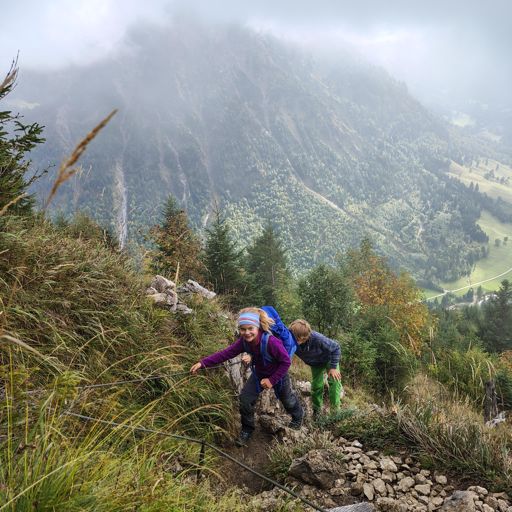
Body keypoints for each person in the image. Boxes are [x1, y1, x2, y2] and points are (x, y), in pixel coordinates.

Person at [190, 308, 304, 447]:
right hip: (259, 374)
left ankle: (298, 416)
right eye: (243, 329)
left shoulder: (271, 342)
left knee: (288, 400)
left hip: (278, 375)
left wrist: (271, 380)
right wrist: (203, 363)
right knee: (245, 399)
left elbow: (286, 362)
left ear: (258, 327)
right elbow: (225, 354)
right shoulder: (243, 342)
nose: (247, 332)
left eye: (250, 328)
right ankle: (247, 429)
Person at [288, 319, 342, 420]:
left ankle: (335, 413)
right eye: (296, 338)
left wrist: (333, 368)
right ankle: (317, 411)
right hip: (315, 363)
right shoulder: (288, 338)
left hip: (329, 359)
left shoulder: (317, 338)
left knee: (334, 382)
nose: (298, 342)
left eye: (301, 339)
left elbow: (336, 348)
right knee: (317, 386)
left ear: (306, 336)